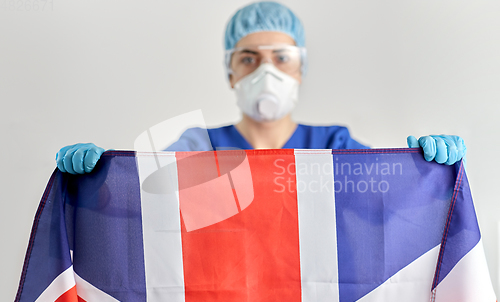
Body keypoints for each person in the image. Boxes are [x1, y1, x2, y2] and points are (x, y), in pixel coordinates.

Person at [56, 1, 466, 174]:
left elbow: (386, 205)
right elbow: (140, 206)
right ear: (230, 72)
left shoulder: (334, 145)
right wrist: (98, 180)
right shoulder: (199, 147)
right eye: (249, 58)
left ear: (300, 70)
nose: (265, 71)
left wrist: (427, 171)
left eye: (281, 57)